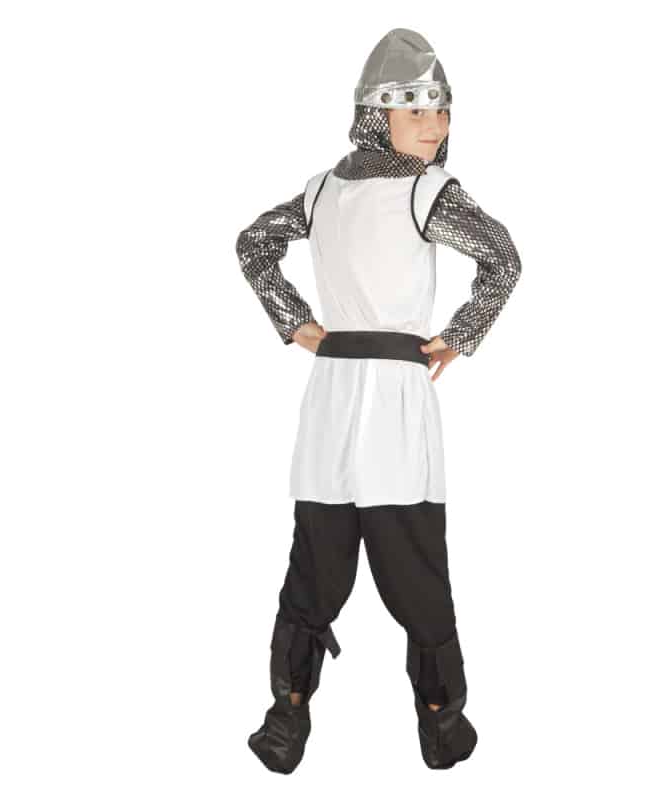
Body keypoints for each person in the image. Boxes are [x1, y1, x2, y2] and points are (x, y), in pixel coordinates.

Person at [236, 28, 522, 773]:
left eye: (442, 110)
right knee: (318, 563)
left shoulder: (422, 190)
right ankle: (290, 715)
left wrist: (459, 334)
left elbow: (502, 258)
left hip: (384, 400)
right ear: (375, 115)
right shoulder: (336, 190)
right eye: (416, 109)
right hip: (341, 398)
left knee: (410, 562)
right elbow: (253, 244)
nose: (435, 124)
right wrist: (296, 322)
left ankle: (437, 718)